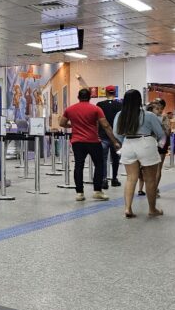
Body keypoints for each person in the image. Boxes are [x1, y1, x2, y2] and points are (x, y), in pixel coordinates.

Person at [59, 88, 121, 202]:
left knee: (79, 166)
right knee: (99, 165)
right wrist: (114, 141)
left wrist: (72, 126)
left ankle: (79, 193)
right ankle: (97, 191)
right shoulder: (96, 109)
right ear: (90, 97)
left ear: (78, 97)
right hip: (93, 141)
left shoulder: (70, 109)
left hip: (77, 142)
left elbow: (62, 123)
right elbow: (106, 126)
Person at [113, 89, 166, 218]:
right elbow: (160, 134)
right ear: (140, 101)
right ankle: (152, 209)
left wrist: (124, 142)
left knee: (131, 178)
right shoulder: (149, 115)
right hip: (146, 143)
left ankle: (128, 209)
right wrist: (159, 145)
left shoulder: (120, 115)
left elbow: (116, 133)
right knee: (150, 179)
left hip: (128, 144)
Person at [96, 86, 123, 189]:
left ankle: (104, 180)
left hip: (103, 135)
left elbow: (97, 121)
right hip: (116, 136)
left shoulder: (100, 105)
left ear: (106, 93)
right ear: (115, 93)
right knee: (115, 158)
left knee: (103, 159)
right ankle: (114, 179)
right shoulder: (120, 105)